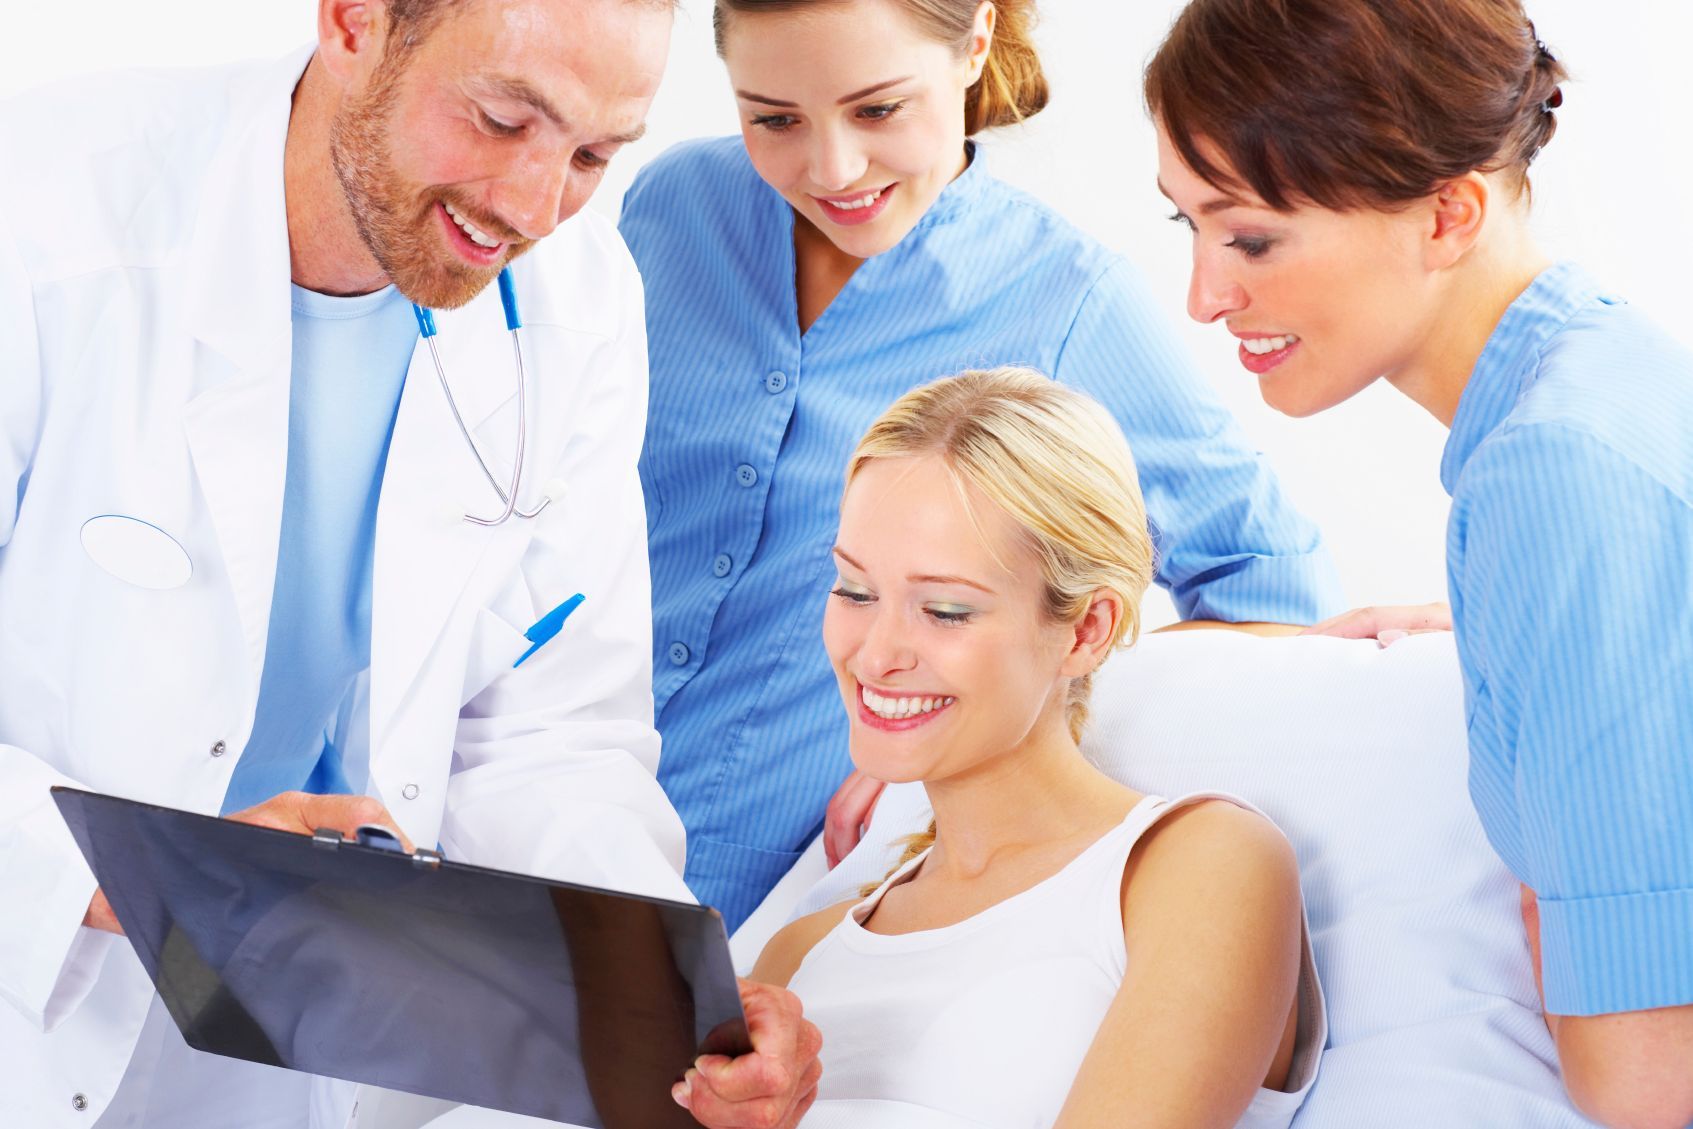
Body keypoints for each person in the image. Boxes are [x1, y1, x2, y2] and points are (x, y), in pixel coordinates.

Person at [0, 0, 817, 1125]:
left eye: (591, 156)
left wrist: (671, 1001)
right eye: (501, 120)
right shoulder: (42, 214)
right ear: (354, 23)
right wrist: (148, 873)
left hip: (293, 1032)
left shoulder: (578, 297)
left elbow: (549, 730)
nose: (534, 208)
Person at [619, 0, 1344, 933]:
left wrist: (975, 742)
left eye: (878, 110)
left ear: (974, 42)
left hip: (783, 894)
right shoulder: (671, 209)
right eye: (774, 119)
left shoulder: (1067, 301)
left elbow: (1267, 580)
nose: (832, 168)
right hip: (533, 811)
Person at [1144, 2, 1693, 1125]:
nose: (1204, 296)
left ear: (1448, 214)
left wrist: (1547, 891)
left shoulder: (1552, 473)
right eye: (1186, 225)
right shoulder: (1604, 372)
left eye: (1249, 238)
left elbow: (1644, 1076)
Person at [708, 367, 1324, 1128]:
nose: (875, 655)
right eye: (855, 591)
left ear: (1086, 629)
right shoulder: (800, 955)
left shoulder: (1200, 866)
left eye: (945, 610)